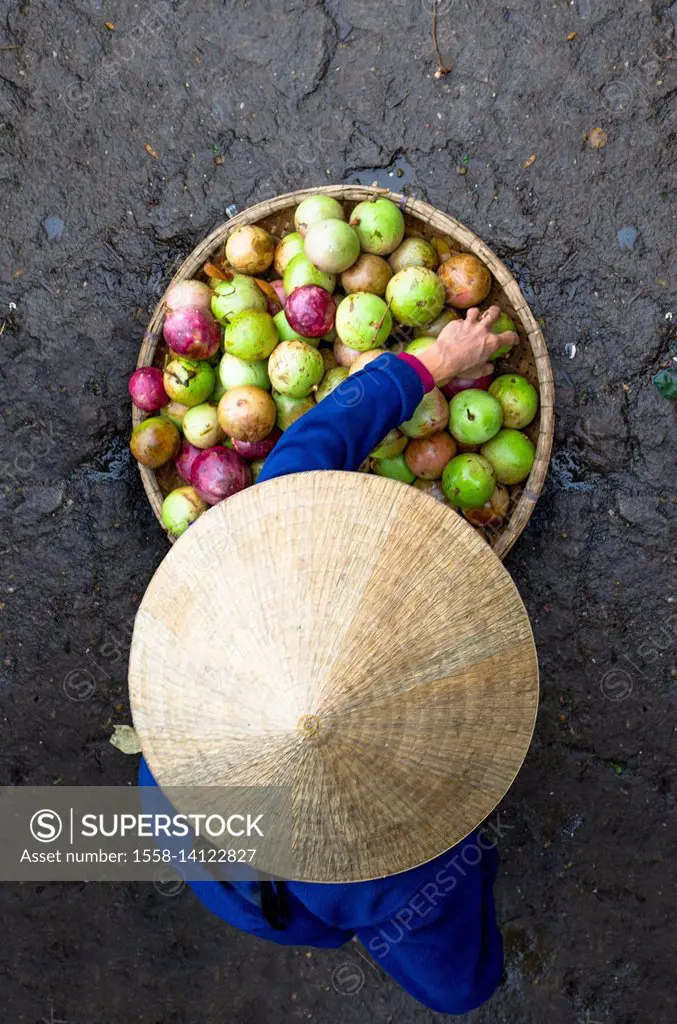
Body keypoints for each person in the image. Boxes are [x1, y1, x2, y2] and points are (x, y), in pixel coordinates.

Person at [139, 305, 518, 1015]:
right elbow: (455, 987)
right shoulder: (411, 862)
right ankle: (326, 932)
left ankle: (318, 933)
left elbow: (311, 447)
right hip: (317, 892)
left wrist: (429, 363)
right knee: (416, 951)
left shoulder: (242, 611)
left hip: (174, 819)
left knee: (303, 924)